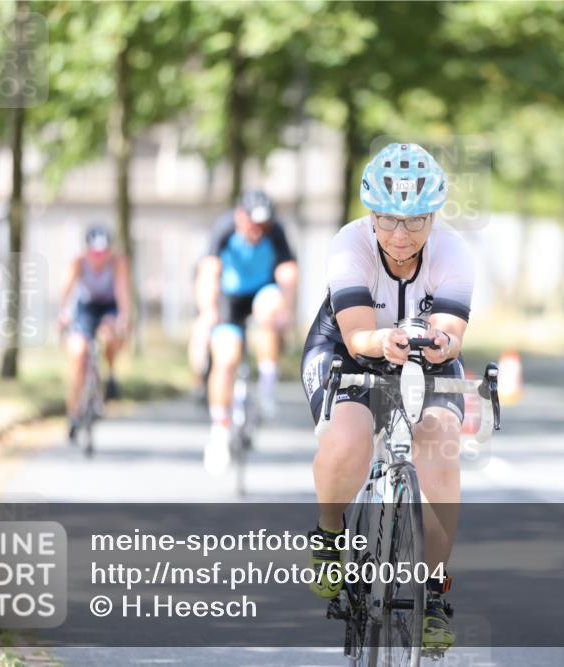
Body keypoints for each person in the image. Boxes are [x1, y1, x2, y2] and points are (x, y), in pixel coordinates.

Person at [300, 143, 472, 651]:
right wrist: (383, 341)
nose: (401, 235)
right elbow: (356, 337)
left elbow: (451, 330)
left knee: (441, 442)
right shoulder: (347, 245)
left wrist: (439, 342)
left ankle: (435, 593)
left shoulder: (454, 251)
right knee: (349, 435)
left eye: (416, 222)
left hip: (425, 355)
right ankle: (331, 536)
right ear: (370, 215)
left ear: (434, 217)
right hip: (348, 349)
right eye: (388, 220)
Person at [195, 189, 298, 474]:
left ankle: (267, 382)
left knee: (269, 311)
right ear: (240, 216)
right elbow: (209, 271)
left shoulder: (275, 231)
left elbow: (288, 272)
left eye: (263, 225)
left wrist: (287, 310)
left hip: (262, 292)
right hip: (230, 297)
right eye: (253, 224)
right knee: (226, 359)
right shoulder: (224, 228)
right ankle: (219, 430)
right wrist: (207, 310)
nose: (257, 230)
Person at [57, 225, 132, 441]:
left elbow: (122, 293)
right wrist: (62, 315)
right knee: (78, 355)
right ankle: (73, 414)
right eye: (95, 252)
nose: (99, 257)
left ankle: (110, 375)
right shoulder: (78, 263)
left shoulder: (118, 264)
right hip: (85, 309)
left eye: (104, 252)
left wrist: (123, 318)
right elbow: (66, 292)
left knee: (110, 337)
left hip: (109, 307)